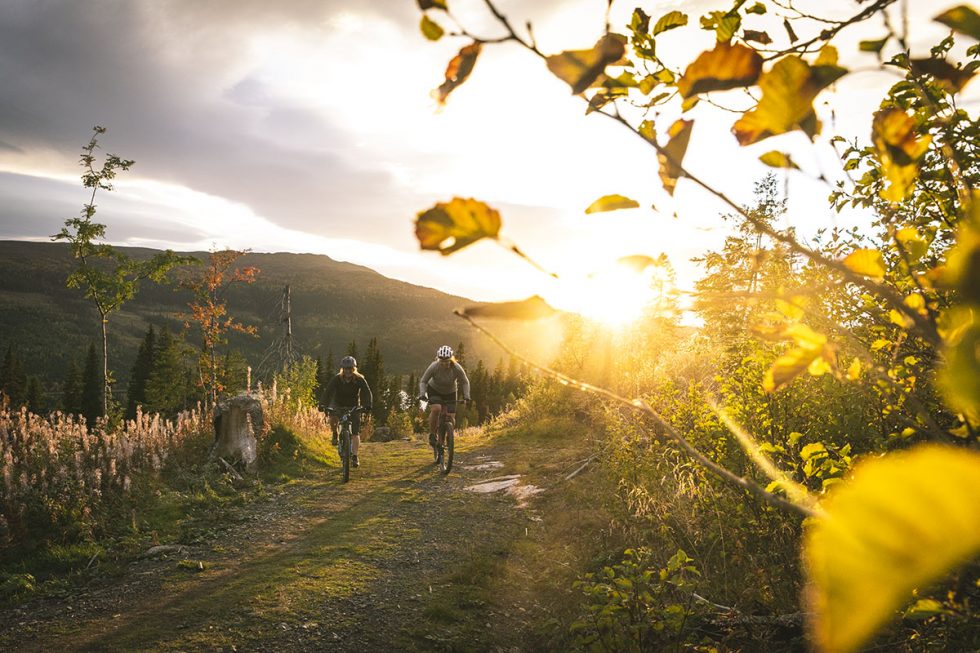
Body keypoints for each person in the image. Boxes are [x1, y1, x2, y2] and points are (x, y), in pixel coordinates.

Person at [320, 355, 372, 468]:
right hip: (338, 403)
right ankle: (335, 434)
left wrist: (367, 405)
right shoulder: (337, 379)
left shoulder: (359, 379)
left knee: (355, 432)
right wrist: (322, 404)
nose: (348, 371)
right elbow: (327, 392)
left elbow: (367, 392)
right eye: (346, 368)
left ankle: (355, 456)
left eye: (350, 368)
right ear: (342, 369)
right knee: (333, 416)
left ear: (354, 369)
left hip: (353, 405)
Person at [419, 345, 471, 457]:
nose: (444, 364)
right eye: (441, 361)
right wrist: (423, 394)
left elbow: (465, 381)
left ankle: (448, 436)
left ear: (451, 359)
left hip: (451, 392)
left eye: (446, 361)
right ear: (438, 359)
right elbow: (423, 381)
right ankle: (432, 434)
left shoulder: (456, 368)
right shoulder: (434, 366)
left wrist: (467, 396)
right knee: (437, 409)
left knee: (451, 417)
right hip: (434, 390)